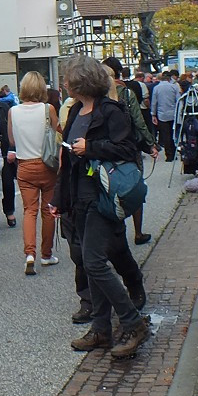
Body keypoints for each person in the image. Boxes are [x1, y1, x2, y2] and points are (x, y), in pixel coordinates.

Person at [54, 57, 150, 360]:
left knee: (94, 261)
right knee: (90, 258)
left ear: (81, 82)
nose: (65, 83)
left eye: (68, 78)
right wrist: (59, 199)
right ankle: (100, 328)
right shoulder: (75, 113)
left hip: (103, 197)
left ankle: (132, 323)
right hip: (80, 197)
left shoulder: (111, 111)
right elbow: (67, 159)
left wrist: (91, 148)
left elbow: (127, 149)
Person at [7, 72, 61, 274]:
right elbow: (57, 134)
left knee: (29, 211)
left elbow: (12, 140)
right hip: (47, 164)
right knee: (48, 210)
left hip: (25, 166)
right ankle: (46, 255)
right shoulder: (49, 109)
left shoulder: (13, 111)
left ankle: (30, 254)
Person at [102, 58, 157, 245]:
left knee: (108, 188)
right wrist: (151, 144)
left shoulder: (98, 95)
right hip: (128, 147)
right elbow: (138, 121)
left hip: (105, 149)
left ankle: (113, 234)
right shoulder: (126, 93)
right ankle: (138, 232)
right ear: (119, 73)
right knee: (135, 186)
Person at [0, 89, 17, 228]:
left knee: (7, 183)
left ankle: (9, 212)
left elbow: (11, 129)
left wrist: (12, 149)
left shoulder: (4, 108)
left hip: (5, 151)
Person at [150, 70, 180, 162]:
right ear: (169, 78)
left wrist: (153, 114)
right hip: (173, 113)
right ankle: (174, 152)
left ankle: (169, 154)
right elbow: (178, 100)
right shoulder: (174, 87)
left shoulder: (157, 88)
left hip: (162, 114)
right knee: (173, 134)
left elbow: (154, 102)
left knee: (165, 135)